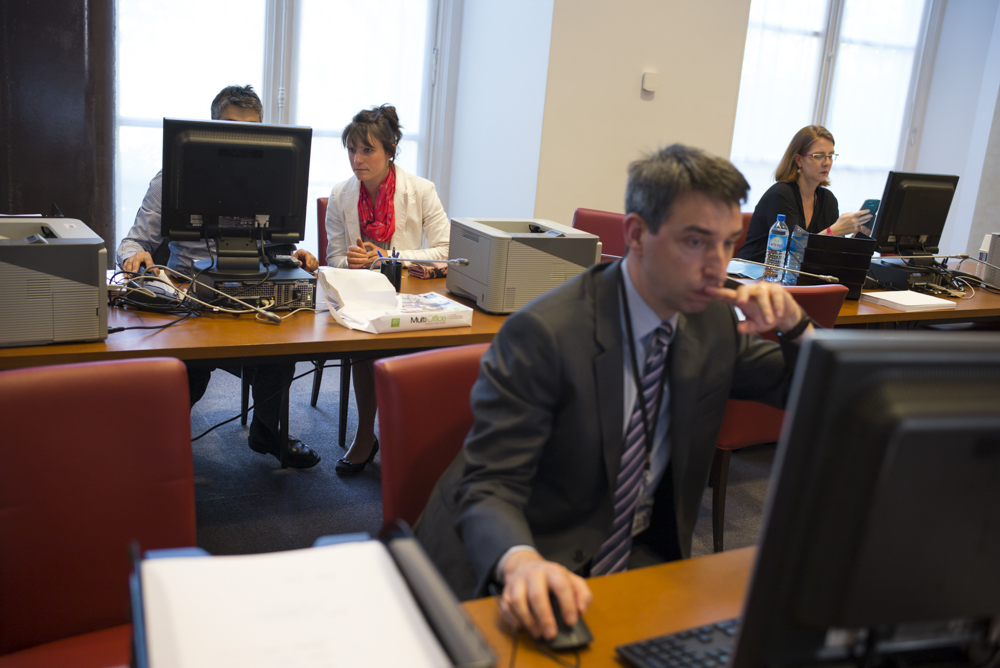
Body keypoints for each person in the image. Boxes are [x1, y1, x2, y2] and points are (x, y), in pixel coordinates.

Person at [415, 144, 815, 642]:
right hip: (524, 564)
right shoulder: (546, 334)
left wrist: (798, 328)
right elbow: (488, 485)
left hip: (639, 558)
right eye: (696, 242)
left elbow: (812, 394)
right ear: (636, 234)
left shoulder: (709, 322)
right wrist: (520, 564)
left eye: (729, 243)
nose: (718, 266)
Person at [116, 84, 321, 469]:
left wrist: (292, 255)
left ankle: (266, 430)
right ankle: (160, 453)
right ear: (209, 129)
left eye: (252, 130)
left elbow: (272, 243)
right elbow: (131, 242)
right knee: (191, 369)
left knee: (282, 351)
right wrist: (134, 257)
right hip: (191, 298)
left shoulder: (270, 178)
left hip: (251, 294)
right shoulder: (171, 178)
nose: (240, 141)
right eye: (229, 127)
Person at [324, 104, 449, 476]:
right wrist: (353, 260)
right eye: (351, 149)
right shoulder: (340, 194)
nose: (357, 159)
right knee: (364, 338)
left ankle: (414, 439)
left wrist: (389, 256)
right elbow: (333, 260)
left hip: (410, 292)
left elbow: (447, 250)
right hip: (362, 294)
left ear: (391, 149)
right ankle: (366, 435)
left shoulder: (421, 190)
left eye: (367, 150)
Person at [735, 125, 872, 263]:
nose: (827, 163)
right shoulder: (780, 195)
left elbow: (831, 254)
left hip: (797, 278)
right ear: (799, 160)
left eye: (830, 156)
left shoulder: (828, 200)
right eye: (819, 156)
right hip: (753, 274)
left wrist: (856, 238)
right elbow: (792, 254)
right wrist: (833, 231)